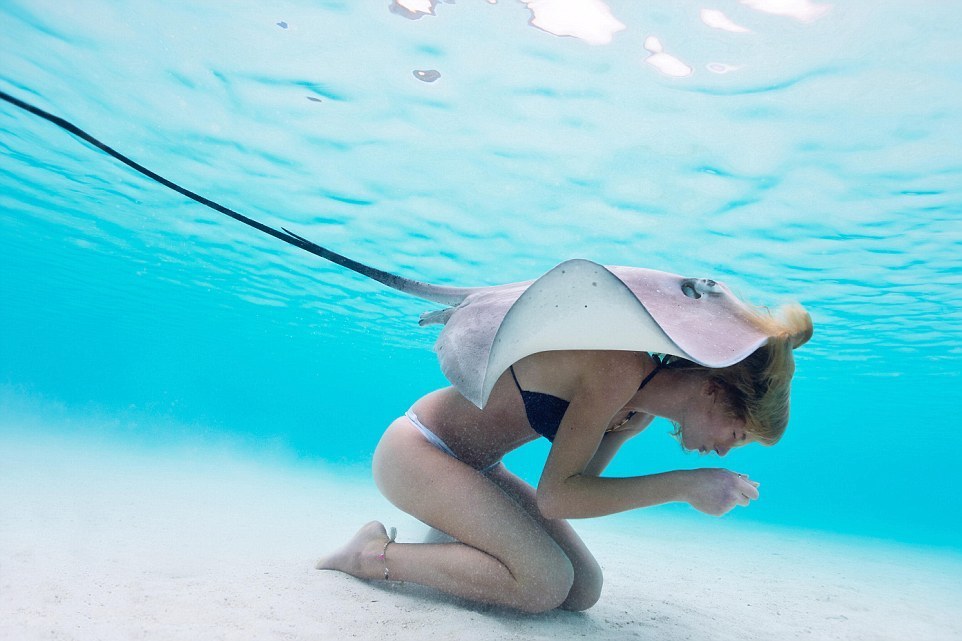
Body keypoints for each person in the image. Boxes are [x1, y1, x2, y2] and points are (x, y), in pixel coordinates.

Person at [317, 301, 813, 613]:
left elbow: (579, 492)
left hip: (477, 471)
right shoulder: (619, 368)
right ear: (713, 390)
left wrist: (684, 482)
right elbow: (557, 497)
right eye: (736, 432)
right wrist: (685, 485)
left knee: (582, 590)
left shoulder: (636, 412)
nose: (725, 449)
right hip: (419, 447)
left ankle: (452, 539)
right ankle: (368, 553)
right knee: (543, 581)